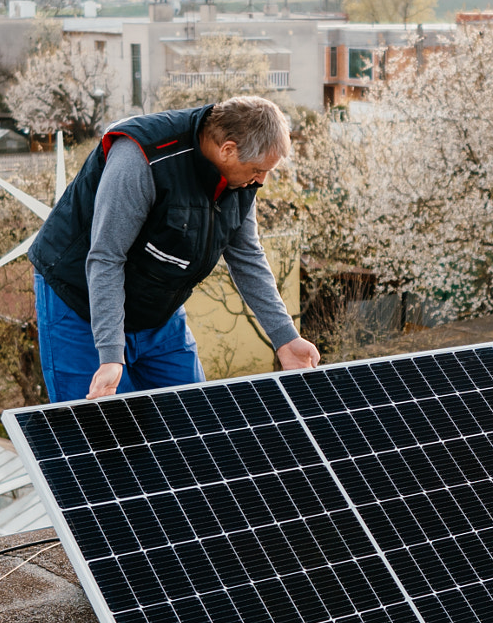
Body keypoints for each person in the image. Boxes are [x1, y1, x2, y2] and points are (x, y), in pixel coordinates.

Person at [29, 95, 320, 402]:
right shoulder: (142, 159)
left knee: (191, 421)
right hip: (81, 299)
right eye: (259, 169)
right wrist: (111, 354)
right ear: (228, 150)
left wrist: (285, 338)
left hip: (157, 307)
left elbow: (247, 257)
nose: (262, 179)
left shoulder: (240, 181)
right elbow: (105, 258)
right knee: (96, 432)